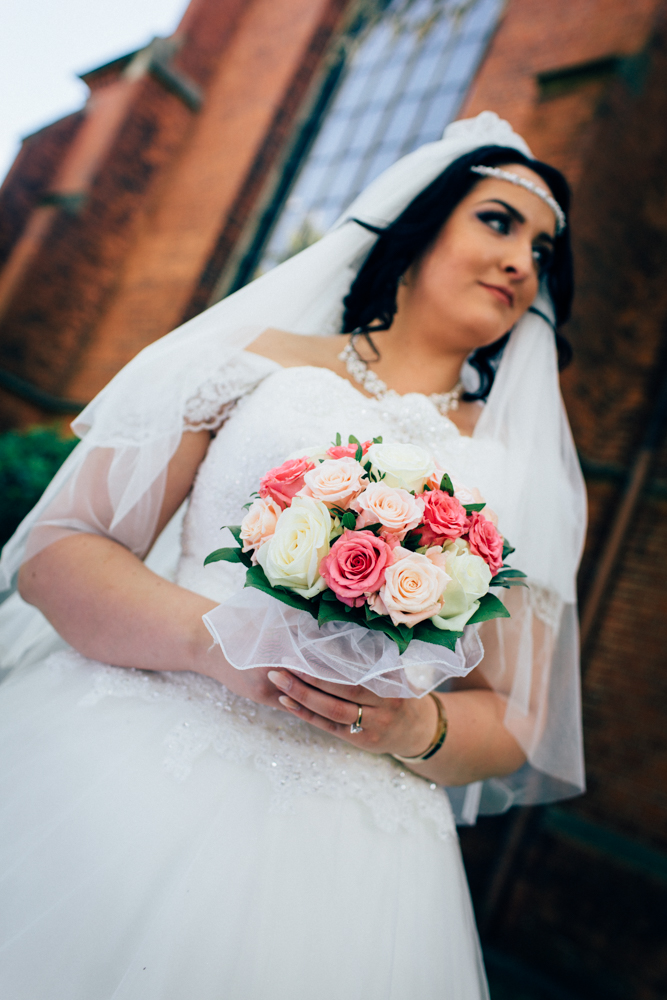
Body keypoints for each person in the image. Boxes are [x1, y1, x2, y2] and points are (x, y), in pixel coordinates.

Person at [0, 112, 586, 999]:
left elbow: (514, 710)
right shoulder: (255, 363)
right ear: (419, 228)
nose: (520, 262)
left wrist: (410, 728)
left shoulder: (518, 470)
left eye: (542, 251)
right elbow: (55, 555)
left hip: (349, 847)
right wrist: (219, 642)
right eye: (498, 221)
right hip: (134, 750)